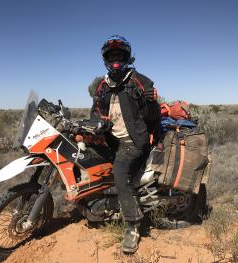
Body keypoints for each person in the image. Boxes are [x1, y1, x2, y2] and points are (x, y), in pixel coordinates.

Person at [88, 35, 161, 253]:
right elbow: (96, 111)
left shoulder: (139, 80)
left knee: (120, 176)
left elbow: (153, 115)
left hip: (133, 142)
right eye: (112, 56)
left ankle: (132, 225)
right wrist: (97, 123)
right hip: (112, 140)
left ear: (127, 57)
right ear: (106, 59)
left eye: (120, 55)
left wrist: (150, 102)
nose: (116, 59)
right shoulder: (102, 84)